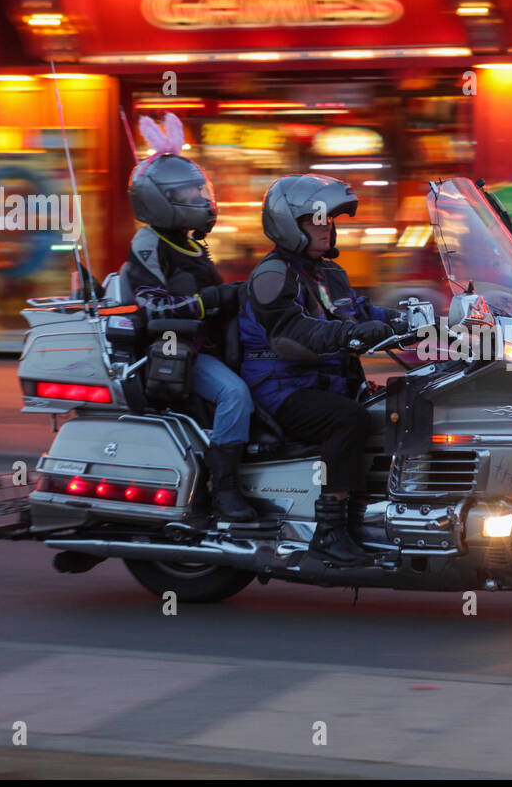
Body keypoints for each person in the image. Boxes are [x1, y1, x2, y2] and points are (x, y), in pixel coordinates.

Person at [240, 174, 403, 565]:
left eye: (330, 220)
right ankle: (329, 531)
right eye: (316, 220)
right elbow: (290, 332)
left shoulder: (327, 273)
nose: (327, 228)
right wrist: (350, 334)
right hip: (279, 388)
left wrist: (423, 321)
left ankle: (375, 512)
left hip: (320, 381)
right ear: (287, 224)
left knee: (397, 402)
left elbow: (362, 311)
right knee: (347, 420)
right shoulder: (274, 275)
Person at [124, 113, 258, 522]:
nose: (201, 199)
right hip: (176, 350)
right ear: (160, 200)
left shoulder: (186, 242)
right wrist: (212, 299)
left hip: (209, 343)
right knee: (234, 394)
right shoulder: (149, 243)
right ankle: (224, 490)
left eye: (201, 190)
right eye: (189, 192)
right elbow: (152, 307)